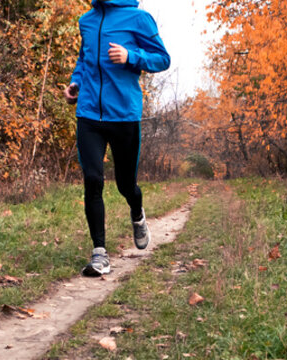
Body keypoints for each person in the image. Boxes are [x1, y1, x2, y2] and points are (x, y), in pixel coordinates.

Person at [64, 0, 170, 276]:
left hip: (123, 115)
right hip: (89, 114)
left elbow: (162, 59)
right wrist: (75, 83)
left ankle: (137, 213)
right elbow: (83, 59)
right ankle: (100, 252)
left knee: (126, 185)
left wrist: (131, 56)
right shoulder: (87, 20)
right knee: (93, 179)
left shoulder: (138, 18)